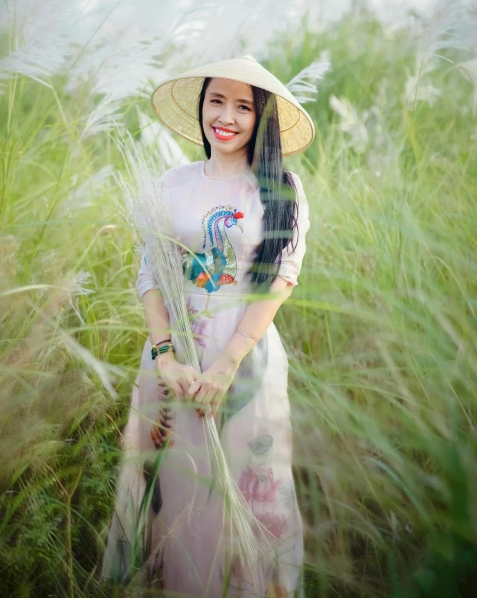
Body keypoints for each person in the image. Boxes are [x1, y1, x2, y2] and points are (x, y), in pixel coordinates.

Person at [102, 55, 315, 597]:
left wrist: (225, 364)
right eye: (216, 100)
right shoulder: (171, 184)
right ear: (201, 106)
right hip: (172, 358)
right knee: (176, 489)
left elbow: (279, 280)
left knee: (245, 488)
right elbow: (150, 270)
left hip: (243, 360)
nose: (226, 116)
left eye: (243, 106)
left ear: (261, 119)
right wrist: (166, 354)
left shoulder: (280, 189)